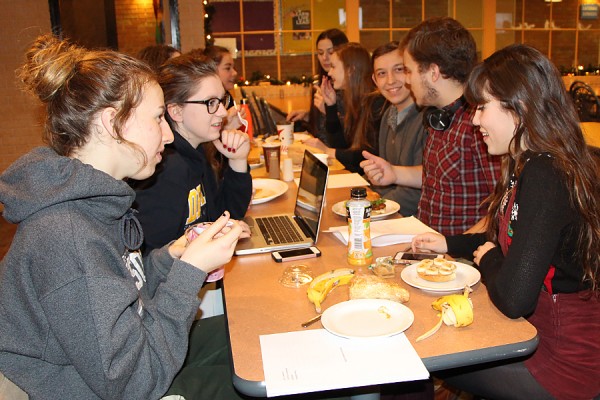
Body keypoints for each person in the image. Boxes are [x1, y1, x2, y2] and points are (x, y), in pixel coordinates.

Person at [0, 34, 246, 399]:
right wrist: (189, 273)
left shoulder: (99, 200)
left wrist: (168, 259)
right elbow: (135, 383)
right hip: (115, 387)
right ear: (111, 122)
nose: (167, 135)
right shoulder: (66, 235)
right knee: (265, 381)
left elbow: (121, 295)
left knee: (245, 333)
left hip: (131, 360)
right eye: (158, 118)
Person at [412, 44, 600, 400]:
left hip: (562, 363)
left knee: (416, 361)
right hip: (529, 335)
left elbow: (515, 299)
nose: (475, 120)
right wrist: (450, 244)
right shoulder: (531, 162)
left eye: (483, 107)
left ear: (521, 108)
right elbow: (511, 236)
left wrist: (488, 260)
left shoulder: (546, 174)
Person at [361, 17, 501, 235]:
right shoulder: (438, 116)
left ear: (433, 72)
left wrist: (449, 250)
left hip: (457, 259)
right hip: (427, 244)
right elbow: (442, 177)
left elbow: (502, 208)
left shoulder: (478, 123)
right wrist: (395, 174)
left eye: (408, 71)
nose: (406, 81)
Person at [131, 54, 252, 255]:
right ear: (176, 112)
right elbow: (156, 258)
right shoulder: (166, 168)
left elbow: (223, 215)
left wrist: (238, 161)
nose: (222, 111)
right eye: (211, 102)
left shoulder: (196, 151)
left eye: (222, 100)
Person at [360, 41, 427, 217]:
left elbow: (421, 190)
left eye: (399, 70)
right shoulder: (388, 116)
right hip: (393, 215)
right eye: (382, 74)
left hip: (416, 223)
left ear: (411, 72)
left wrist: (373, 209)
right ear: (374, 80)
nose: (390, 81)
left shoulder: (428, 119)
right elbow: (385, 182)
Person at [303, 42, 388, 173]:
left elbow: (365, 156)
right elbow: (341, 146)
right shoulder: (354, 100)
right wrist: (331, 107)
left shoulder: (376, 103)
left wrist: (327, 151)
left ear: (351, 70)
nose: (329, 72)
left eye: (333, 67)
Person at [286, 28, 348, 143]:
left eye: (330, 52)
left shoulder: (346, 87)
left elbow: (349, 133)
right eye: (320, 53)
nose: (325, 58)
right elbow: (323, 127)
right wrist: (310, 115)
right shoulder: (321, 82)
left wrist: (329, 112)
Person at [192, 45, 246, 131]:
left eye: (233, 68)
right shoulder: (201, 102)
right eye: (228, 68)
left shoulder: (227, 98)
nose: (235, 73)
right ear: (211, 70)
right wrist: (224, 122)